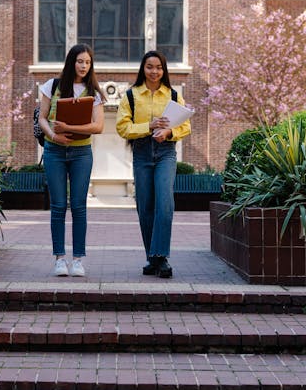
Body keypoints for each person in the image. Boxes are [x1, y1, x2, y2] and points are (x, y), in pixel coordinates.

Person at [115, 49, 191, 278]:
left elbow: (185, 126)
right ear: (143, 69)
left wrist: (168, 132)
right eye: (150, 67)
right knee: (145, 206)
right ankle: (152, 257)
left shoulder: (174, 95)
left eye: (159, 67)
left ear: (164, 70)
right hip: (141, 153)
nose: (154, 71)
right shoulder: (131, 96)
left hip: (166, 153)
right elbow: (121, 127)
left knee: (165, 204)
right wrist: (148, 126)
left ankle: (162, 258)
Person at [38, 43, 105, 277]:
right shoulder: (52, 86)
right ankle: (59, 258)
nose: (84, 66)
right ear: (71, 62)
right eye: (80, 61)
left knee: (78, 206)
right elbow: (42, 119)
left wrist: (69, 127)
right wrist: (55, 134)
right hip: (54, 152)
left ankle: (78, 260)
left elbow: (98, 126)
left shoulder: (93, 92)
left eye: (87, 62)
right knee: (57, 207)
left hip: (81, 154)